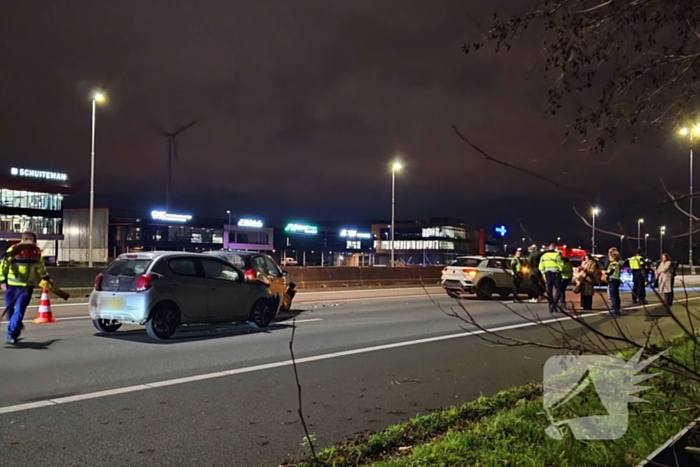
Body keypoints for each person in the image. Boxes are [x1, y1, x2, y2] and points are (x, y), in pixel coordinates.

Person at [0, 231, 51, 344]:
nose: (35, 242)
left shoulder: (35, 252)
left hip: (26, 288)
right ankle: (16, 325)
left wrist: (45, 277)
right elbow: (4, 265)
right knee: (10, 311)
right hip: (11, 286)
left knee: (19, 311)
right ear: (27, 239)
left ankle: (12, 334)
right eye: (33, 240)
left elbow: (40, 267)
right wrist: (2, 281)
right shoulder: (14, 250)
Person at [539, 243, 564, 314]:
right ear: (555, 248)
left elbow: (540, 267)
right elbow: (561, 266)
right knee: (559, 290)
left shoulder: (544, 256)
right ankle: (554, 305)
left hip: (547, 274)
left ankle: (551, 305)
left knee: (549, 291)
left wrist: (543, 274)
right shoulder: (557, 255)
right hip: (556, 274)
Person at [606, 250, 622, 316]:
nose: (609, 258)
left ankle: (614, 310)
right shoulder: (618, 263)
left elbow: (610, 272)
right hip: (616, 280)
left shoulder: (614, 264)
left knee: (613, 296)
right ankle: (617, 309)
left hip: (613, 280)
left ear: (613, 257)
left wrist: (605, 273)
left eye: (610, 256)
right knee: (616, 295)